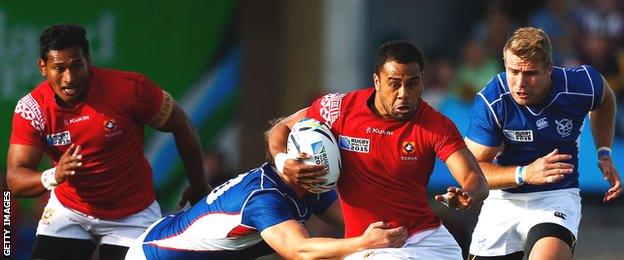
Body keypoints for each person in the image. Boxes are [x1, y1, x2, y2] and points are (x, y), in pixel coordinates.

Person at [267, 40, 489, 259]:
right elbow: (282, 127)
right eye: (394, 83)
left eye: (412, 84)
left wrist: (467, 195)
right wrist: (282, 161)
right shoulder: (339, 109)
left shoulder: (435, 125)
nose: (404, 93)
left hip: (429, 238)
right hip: (373, 245)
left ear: (422, 82)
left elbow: (474, 177)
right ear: (377, 81)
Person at [7, 24, 210, 260]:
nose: (69, 78)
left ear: (88, 60)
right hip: (70, 211)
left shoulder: (130, 89)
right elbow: (15, 179)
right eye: (59, 69)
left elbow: (182, 125)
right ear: (43, 67)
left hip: (132, 216)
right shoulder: (32, 109)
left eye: (76, 66)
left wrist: (198, 185)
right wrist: (54, 175)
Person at [124, 126, 408, 259]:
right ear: (298, 163)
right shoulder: (265, 199)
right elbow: (300, 251)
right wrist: (365, 243)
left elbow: (356, 223)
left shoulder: (308, 182)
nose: (327, 185)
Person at [466, 27, 622, 260]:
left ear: (549, 69)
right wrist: (524, 173)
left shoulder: (580, 84)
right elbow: (472, 172)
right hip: (503, 200)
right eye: (512, 71)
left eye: (530, 73)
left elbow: (606, 99)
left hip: (556, 196)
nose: (520, 83)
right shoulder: (492, 100)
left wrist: (604, 152)